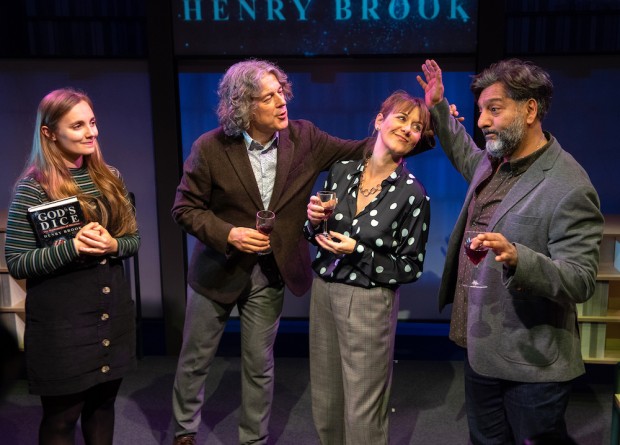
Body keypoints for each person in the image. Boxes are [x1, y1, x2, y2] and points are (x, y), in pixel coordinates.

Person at [170, 59, 376, 445]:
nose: (282, 102)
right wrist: (230, 234)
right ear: (244, 107)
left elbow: (363, 150)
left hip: (271, 272)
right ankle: (184, 432)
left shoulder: (304, 138)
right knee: (195, 359)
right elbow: (185, 209)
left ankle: (253, 439)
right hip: (217, 271)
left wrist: (420, 129)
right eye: (269, 97)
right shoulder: (210, 148)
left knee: (259, 365)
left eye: (282, 92)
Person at [417, 59, 604, 444]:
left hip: (530, 359)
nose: (482, 121)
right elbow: (465, 154)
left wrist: (521, 258)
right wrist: (438, 106)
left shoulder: (569, 184)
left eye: (494, 109)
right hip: (481, 345)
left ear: (530, 108)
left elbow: (582, 279)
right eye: (481, 110)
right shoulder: (494, 162)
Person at [4, 88, 140, 444]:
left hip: (110, 313)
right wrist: (73, 248)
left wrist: (112, 244)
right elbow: (17, 262)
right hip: (61, 324)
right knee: (62, 418)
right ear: (49, 133)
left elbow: (132, 241)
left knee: (102, 407)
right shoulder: (33, 188)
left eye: (92, 122)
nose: (91, 132)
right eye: (77, 126)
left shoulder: (110, 177)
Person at [303, 90, 433, 444]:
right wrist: (313, 220)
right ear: (379, 120)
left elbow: (410, 266)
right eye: (402, 119)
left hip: (368, 299)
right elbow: (314, 230)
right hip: (324, 291)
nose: (408, 129)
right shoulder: (342, 171)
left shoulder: (413, 194)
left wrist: (357, 250)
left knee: (363, 407)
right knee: (326, 400)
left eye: (417, 126)